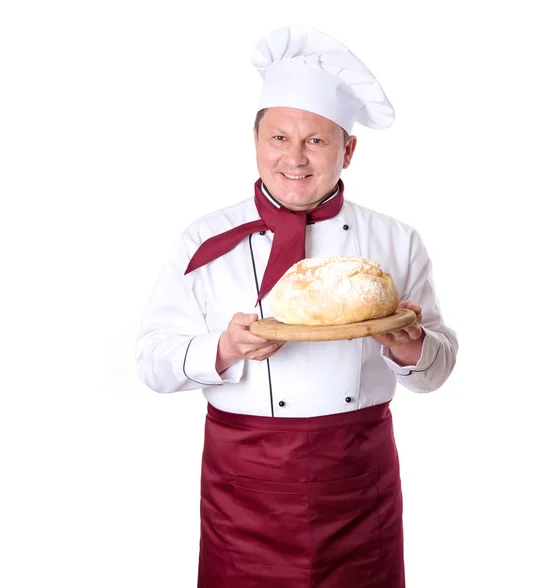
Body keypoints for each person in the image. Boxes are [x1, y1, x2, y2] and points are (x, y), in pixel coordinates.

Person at [136, 24, 458, 588]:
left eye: (316, 140)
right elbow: (151, 363)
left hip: (357, 482)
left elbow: (434, 376)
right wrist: (224, 348)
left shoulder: (395, 242)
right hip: (243, 486)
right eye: (279, 138)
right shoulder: (203, 241)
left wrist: (412, 347)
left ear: (347, 150)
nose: (296, 158)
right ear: (255, 142)